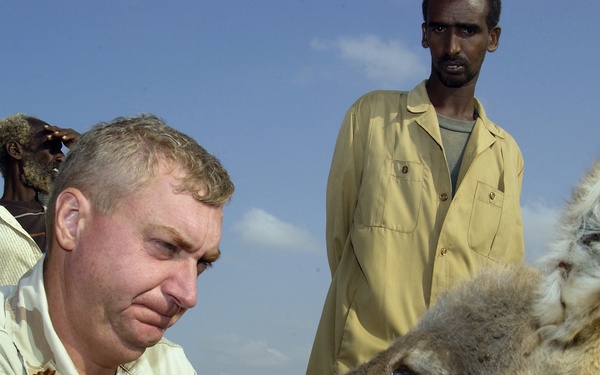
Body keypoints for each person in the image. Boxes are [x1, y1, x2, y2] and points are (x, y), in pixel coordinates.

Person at [306, 0, 524, 373]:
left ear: (493, 38)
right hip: (364, 361)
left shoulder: (506, 155)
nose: (452, 46)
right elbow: (340, 244)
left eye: (468, 30)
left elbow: (504, 284)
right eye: (440, 28)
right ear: (424, 34)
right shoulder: (371, 119)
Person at [0, 114, 234, 374]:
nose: (189, 296)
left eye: (202, 263)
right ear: (72, 220)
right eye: (166, 246)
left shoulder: (169, 366)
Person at [0, 114, 79, 285]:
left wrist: (86, 152)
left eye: (61, 149)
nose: (61, 157)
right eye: (51, 148)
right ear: (15, 150)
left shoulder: (65, 214)